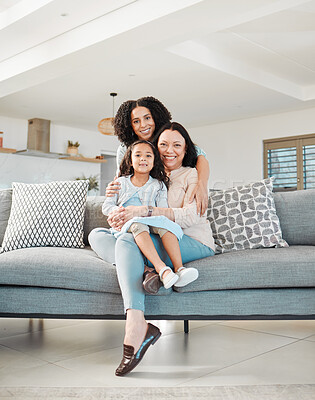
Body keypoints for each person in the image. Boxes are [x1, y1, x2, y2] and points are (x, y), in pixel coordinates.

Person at [88, 122, 215, 377]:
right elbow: (119, 200)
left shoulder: (192, 176)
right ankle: (148, 268)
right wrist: (117, 213)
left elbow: (189, 217)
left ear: (186, 149)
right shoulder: (151, 178)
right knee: (99, 234)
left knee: (128, 241)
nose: (170, 150)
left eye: (177, 145)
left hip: (190, 240)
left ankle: (135, 325)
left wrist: (142, 212)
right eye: (163, 145)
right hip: (152, 236)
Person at [102, 139, 199, 291]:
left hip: (150, 220)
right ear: (130, 160)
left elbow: (162, 209)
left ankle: (180, 269)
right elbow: (107, 206)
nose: (143, 159)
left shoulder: (158, 185)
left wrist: (151, 215)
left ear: (154, 161)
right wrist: (116, 213)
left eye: (148, 156)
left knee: (165, 223)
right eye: (138, 155)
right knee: (137, 223)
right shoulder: (120, 183)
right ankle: (163, 270)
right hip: (127, 223)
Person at [109, 96, 210, 216]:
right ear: (129, 125)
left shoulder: (166, 137)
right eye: (136, 121)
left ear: (155, 117)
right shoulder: (125, 149)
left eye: (147, 118)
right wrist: (113, 190)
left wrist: (201, 185)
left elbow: (200, 157)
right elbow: (122, 177)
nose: (143, 125)